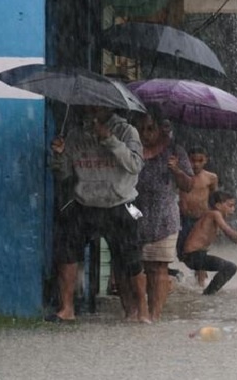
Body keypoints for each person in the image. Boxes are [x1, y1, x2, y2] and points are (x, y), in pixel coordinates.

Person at [49, 105, 148, 323]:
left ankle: (140, 311)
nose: (91, 110)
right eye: (88, 106)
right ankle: (67, 309)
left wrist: (110, 139)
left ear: (108, 106)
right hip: (85, 202)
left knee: (129, 260)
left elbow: (135, 165)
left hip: (122, 203)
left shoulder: (127, 131)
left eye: (96, 106)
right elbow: (64, 173)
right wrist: (58, 155)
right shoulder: (76, 134)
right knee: (67, 252)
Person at [134, 105, 194, 322]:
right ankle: (139, 311)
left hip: (164, 216)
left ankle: (154, 314)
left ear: (160, 129)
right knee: (137, 266)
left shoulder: (175, 151)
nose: (145, 134)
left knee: (159, 267)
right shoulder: (132, 149)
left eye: (150, 129)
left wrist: (176, 170)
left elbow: (188, 185)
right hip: (134, 214)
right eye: (140, 129)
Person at [181, 190, 237, 295]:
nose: (233, 209)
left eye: (234, 206)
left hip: (194, 256)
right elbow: (230, 233)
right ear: (218, 205)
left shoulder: (212, 216)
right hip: (193, 256)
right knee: (230, 267)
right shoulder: (215, 214)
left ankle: (207, 291)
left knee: (227, 267)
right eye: (230, 205)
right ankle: (208, 295)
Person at [177, 146, 219, 287]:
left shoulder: (211, 178)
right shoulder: (181, 176)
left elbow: (214, 198)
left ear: (206, 160)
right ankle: (192, 272)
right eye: (192, 160)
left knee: (200, 250)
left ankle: (201, 283)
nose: (196, 164)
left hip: (202, 219)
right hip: (183, 218)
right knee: (182, 252)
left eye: (200, 160)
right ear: (186, 160)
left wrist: (215, 220)